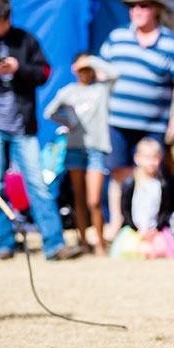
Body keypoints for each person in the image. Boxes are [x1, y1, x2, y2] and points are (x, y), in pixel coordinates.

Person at [0, 0, 82, 261]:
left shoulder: (25, 40)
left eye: (4, 22)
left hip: (21, 125)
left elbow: (43, 74)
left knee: (37, 183)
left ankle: (53, 243)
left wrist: (19, 67)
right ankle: (3, 243)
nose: (0, 28)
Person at [100, 0, 174, 232]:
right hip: (117, 120)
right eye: (132, 6)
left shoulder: (171, 43)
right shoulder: (117, 37)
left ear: (156, 10)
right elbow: (100, 69)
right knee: (118, 173)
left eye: (143, 5)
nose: (137, 10)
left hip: (154, 124)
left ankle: (154, 224)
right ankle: (118, 224)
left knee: (153, 174)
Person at [43, 53, 120, 255]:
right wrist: (68, 122)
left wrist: (91, 60)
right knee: (78, 197)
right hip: (75, 147)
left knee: (94, 201)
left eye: (88, 69)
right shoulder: (68, 92)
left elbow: (114, 74)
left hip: (96, 147)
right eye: (81, 69)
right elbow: (49, 113)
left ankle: (100, 243)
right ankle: (84, 243)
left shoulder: (101, 89)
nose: (85, 73)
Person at [111, 138, 174, 258]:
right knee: (129, 249)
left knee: (162, 248)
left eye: (155, 158)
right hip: (135, 230)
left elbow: (165, 208)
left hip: (154, 230)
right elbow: (125, 208)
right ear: (137, 158)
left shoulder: (162, 183)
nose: (151, 162)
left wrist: (157, 228)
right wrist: (136, 228)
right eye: (147, 158)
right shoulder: (131, 183)